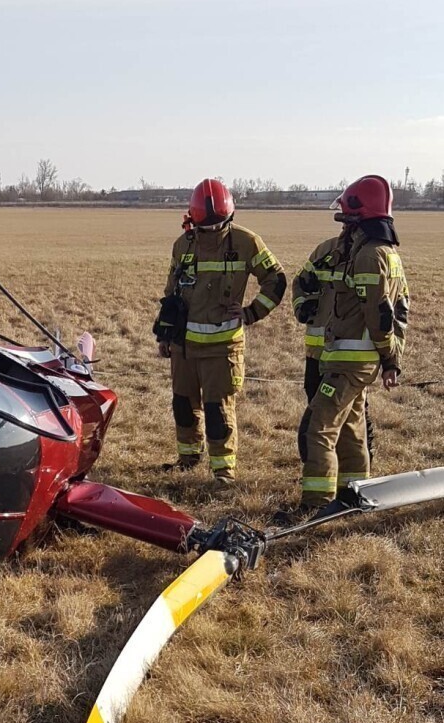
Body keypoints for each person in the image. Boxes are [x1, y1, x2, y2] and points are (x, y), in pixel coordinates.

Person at [153, 179, 286, 482]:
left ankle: (223, 472)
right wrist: (165, 335)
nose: (212, 231)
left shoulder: (246, 242)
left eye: (218, 225)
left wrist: (252, 312)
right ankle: (187, 459)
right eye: (206, 227)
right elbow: (171, 294)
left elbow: (276, 280)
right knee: (183, 406)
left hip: (222, 348)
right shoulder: (182, 245)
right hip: (184, 347)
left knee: (218, 412)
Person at [296, 176, 409, 511]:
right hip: (348, 360)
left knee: (319, 428)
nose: (343, 225)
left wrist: (390, 359)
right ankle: (357, 494)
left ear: (360, 219)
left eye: (347, 218)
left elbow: (380, 316)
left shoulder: (370, 257)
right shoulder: (376, 253)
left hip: (350, 362)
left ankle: (316, 504)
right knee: (351, 428)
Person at [292, 228, 374, 465]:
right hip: (317, 353)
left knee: (347, 419)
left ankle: (333, 479)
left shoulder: (371, 257)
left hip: (349, 356)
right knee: (320, 412)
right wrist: (302, 305)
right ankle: (330, 469)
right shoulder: (325, 251)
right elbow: (300, 282)